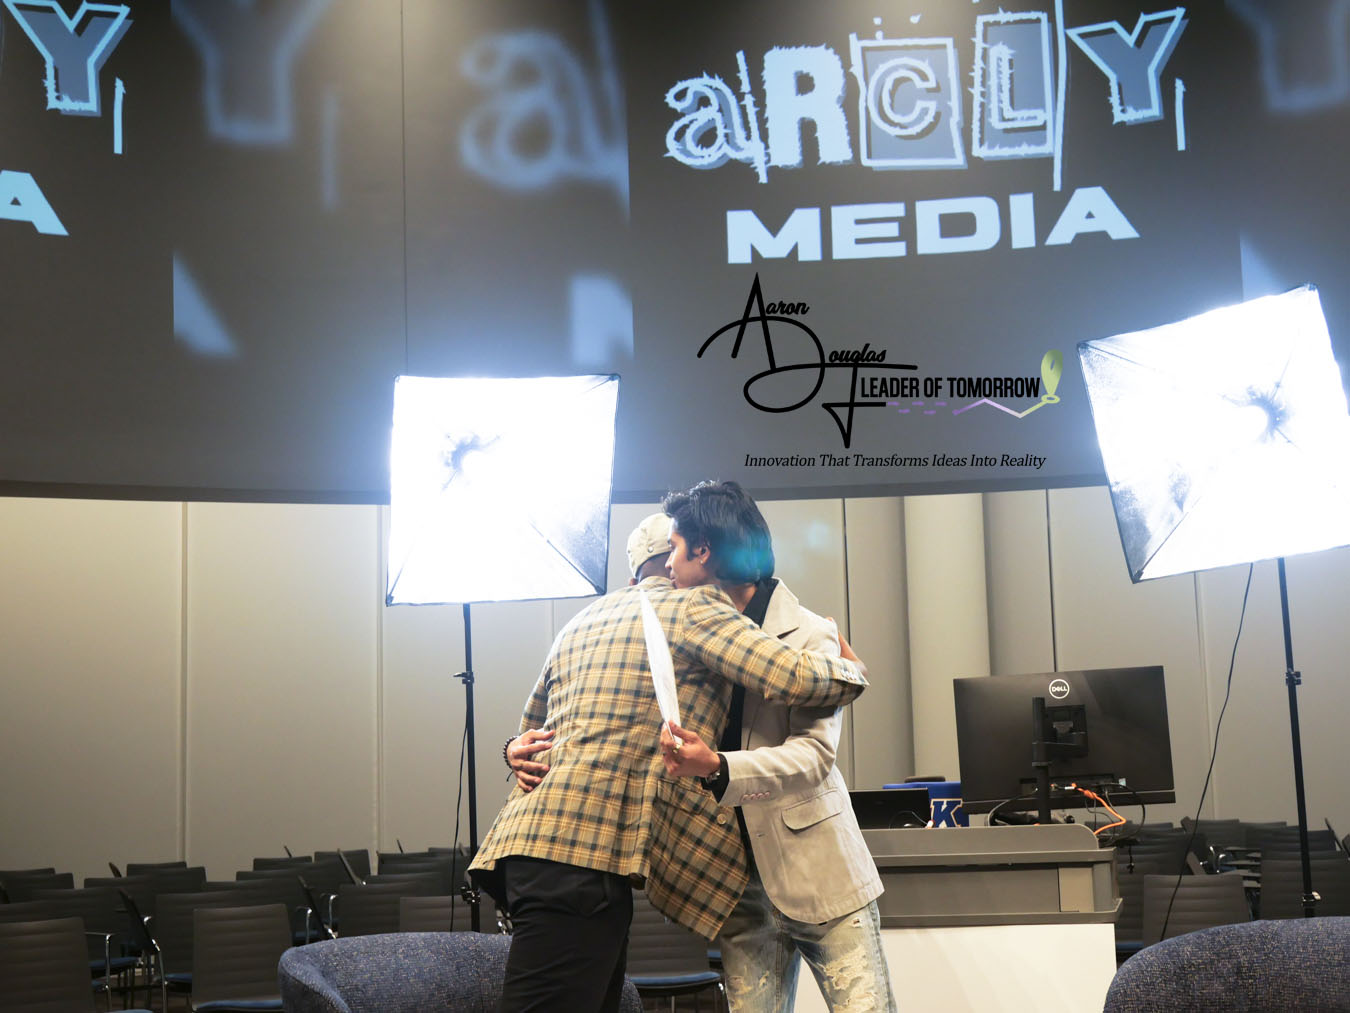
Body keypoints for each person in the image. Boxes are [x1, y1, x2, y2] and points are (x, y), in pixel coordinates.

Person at [468, 510, 869, 1012]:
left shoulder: (582, 620)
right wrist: (851, 670)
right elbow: (793, 678)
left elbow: (532, 732)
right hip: (586, 860)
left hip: (532, 852)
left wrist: (510, 749)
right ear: (679, 562)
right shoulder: (690, 606)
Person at [658, 480, 898, 1013]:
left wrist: (719, 767)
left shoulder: (811, 633)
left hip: (822, 873)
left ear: (704, 551)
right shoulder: (685, 635)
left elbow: (814, 758)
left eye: (674, 548)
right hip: (737, 887)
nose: (667, 564)